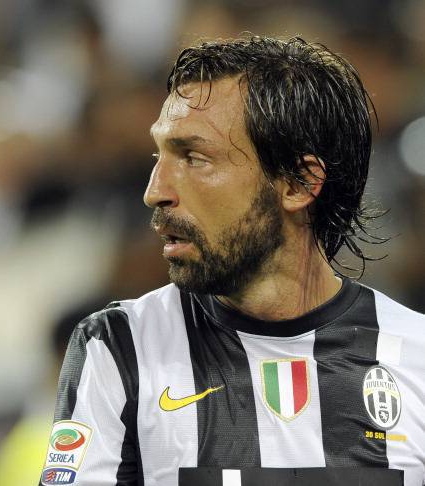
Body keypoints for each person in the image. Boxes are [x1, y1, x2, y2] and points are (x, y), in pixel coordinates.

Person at [39, 36, 425, 486]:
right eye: (159, 155)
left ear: (298, 184)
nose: (155, 191)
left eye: (194, 158)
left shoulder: (417, 357)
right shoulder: (120, 349)